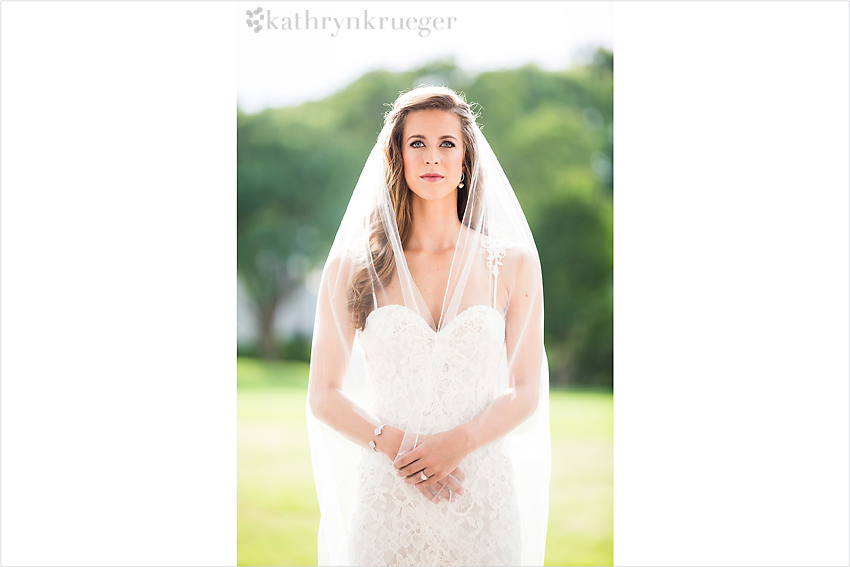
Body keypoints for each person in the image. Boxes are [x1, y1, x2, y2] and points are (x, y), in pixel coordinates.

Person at [306, 85, 551, 566]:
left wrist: (459, 443)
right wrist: (401, 449)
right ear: (397, 156)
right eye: (416, 143)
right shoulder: (354, 268)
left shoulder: (514, 266)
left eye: (447, 144)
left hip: (480, 497)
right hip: (388, 495)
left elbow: (525, 391)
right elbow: (323, 396)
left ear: (465, 161)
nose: (432, 156)